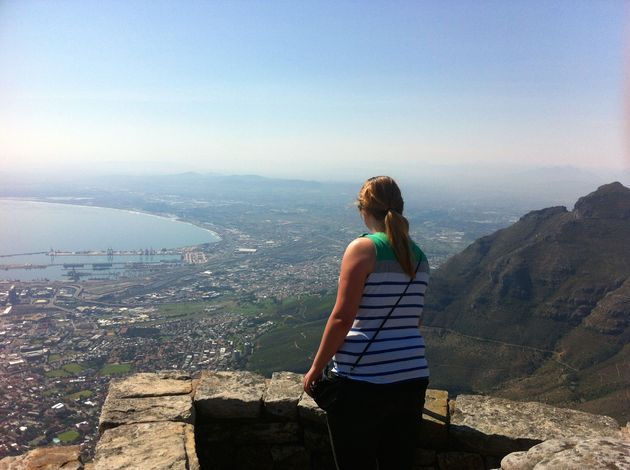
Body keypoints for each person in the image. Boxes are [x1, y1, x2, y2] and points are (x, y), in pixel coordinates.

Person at [303, 175, 430, 470]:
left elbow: (342, 317)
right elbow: (415, 319)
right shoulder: (419, 256)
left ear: (363, 209)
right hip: (412, 378)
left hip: (362, 381)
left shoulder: (362, 249)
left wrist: (316, 368)